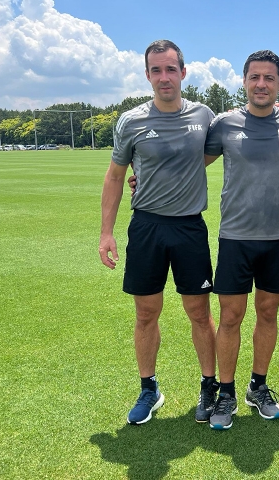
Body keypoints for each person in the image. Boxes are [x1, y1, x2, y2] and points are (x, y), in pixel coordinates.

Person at [99, 39, 219, 425]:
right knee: (146, 312)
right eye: (156, 70)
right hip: (147, 227)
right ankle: (149, 388)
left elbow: (213, 150)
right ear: (147, 74)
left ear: (183, 72)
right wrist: (106, 232)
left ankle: (209, 385)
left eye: (171, 69)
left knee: (198, 311)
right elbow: (116, 175)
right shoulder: (131, 121)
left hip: (189, 227)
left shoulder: (204, 115)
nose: (164, 77)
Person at [203, 50, 279, 430]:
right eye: (255, 77)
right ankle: (226, 392)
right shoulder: (223, 124)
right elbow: (191, 162)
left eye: (269, 78)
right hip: (235, 237)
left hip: (277, 238)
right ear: (244, 81)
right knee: (231, 316)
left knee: (268, 313)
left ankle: (258, 386)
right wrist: (144, 178)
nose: (261, 84)